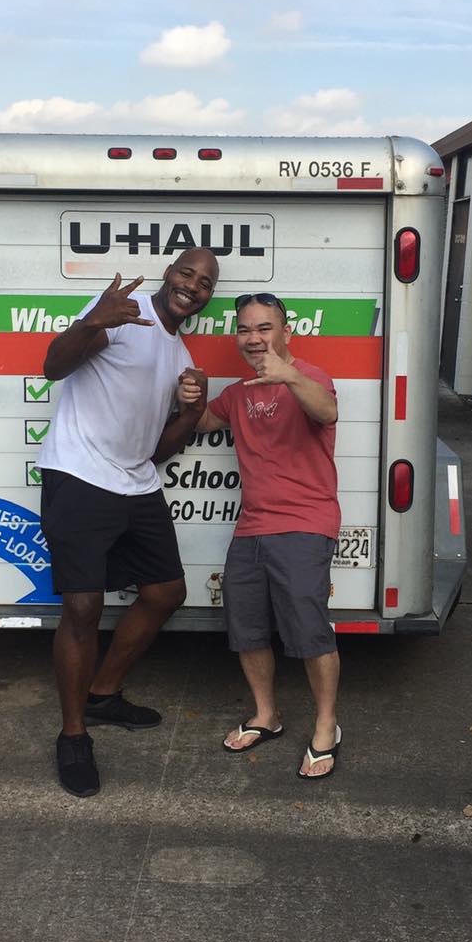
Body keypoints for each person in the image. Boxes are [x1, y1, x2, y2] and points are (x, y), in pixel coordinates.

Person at [38, 248, 218, 797]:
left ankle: (103, 693)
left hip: (135, 482)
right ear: (169, 274)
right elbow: (53, 367)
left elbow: (157, 451)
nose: (194, 285)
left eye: (206, 282)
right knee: (83, 607)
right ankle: (73, 736)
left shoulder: (179, 353)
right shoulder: (123, 312)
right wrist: (92, 320)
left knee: (166, 593)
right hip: (78, 473)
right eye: (187, 272)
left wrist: (189, 412)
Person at [195, 293, 342, 779]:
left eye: (264, 328)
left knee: (310, 630)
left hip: (304, 524)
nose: (254, 338)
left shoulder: (311, 377)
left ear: (285, 332)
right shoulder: (237, 394)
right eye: (245, 330)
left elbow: (326, 413)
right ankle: (267, 715)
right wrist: (186, 398)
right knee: (247, 627)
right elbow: (201, 422)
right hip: (251, 527)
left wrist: (290, 377)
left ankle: (326, 725)